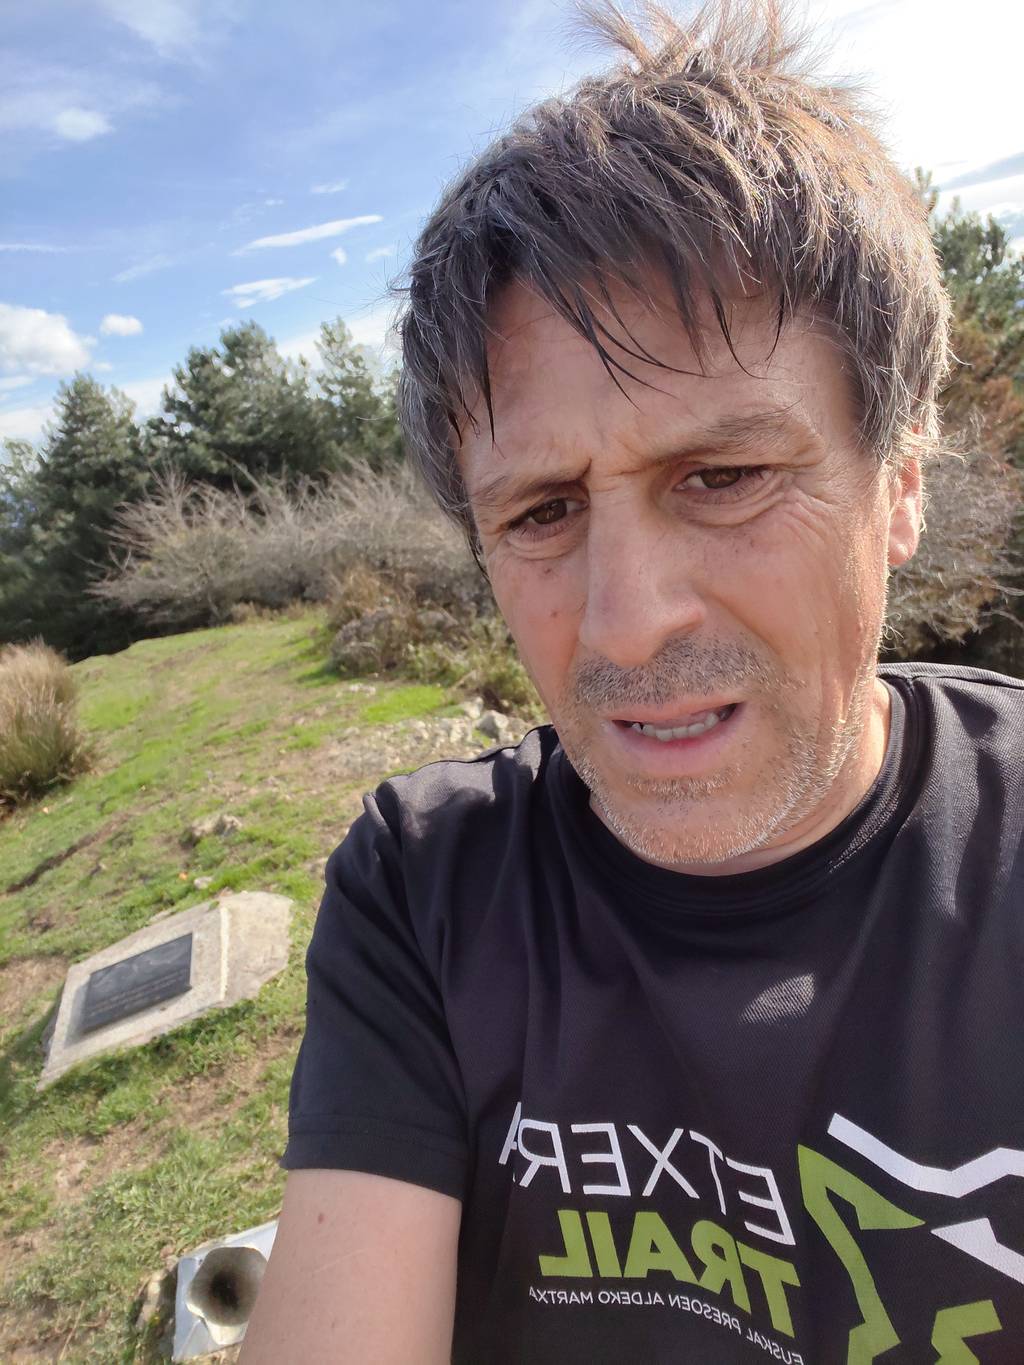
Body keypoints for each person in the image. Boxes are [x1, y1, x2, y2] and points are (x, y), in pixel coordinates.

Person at [241, 2, 1024, 1361]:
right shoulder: (428, 889)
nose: (628, 624)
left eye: (723, 476)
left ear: (899, 484)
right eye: (542, 512)